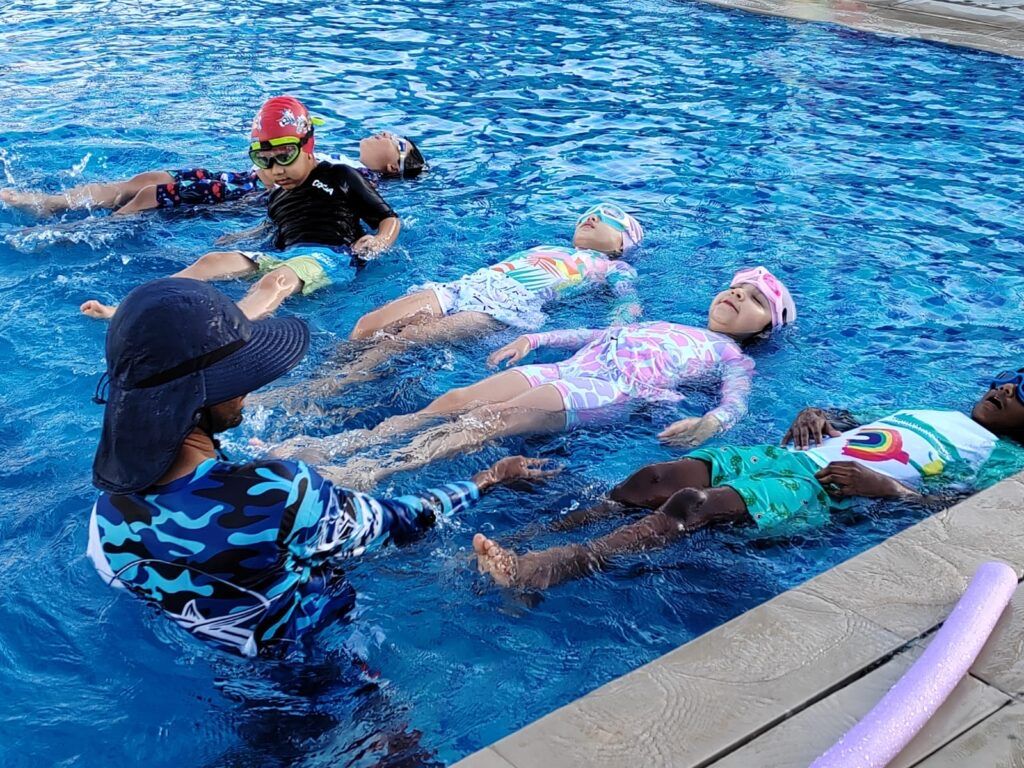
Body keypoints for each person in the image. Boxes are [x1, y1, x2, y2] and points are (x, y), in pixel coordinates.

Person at [86, 277, 554, 658]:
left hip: (234, 678)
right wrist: (488, 478)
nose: (246, 391)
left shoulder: (105, 520)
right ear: (199, 399)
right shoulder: (279, 493)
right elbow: (402, 521)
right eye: (236, 379)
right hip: (327, 681)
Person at [471, 369, 1024, 589]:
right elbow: (853, 423)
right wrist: (815, 412)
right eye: (1008, 379)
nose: (1004, 388)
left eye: (1022, 392)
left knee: (693, 504)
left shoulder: (1004, 460)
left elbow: (964, 512)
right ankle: (526, 540)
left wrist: (889, 490)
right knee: (654, 477)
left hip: (819, 488)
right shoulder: (935, 412)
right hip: (782, 455)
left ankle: (548, 568)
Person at [269, 266, 797, 487]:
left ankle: (371, 470)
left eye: (754, 299)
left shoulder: (733, 357)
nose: (737, 294)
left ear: (764, 328)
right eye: (736, 287)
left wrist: (709, 424)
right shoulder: (671, 324)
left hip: (608, 390)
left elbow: (736, 402)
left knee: (491, 420)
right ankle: (347, 443)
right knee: (457, 399)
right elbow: (597, 333)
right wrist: (535, 340)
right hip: (571, 366)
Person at [263, 202, 645, 405]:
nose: (592, 217)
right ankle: (324, 373)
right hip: (465, 287)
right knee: (369, 324)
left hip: (503, 308)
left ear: (621, 244)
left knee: (406, 338)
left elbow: (627, 303)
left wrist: (615, 335)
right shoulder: (550, 246)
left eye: (607, 218)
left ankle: (327, 390)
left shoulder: (612, 267)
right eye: (589, 214)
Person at [79, 96, 402, 321]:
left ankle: (231, 330)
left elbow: (389, 218)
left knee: (274, 280)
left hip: (331, 256)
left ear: (308, 146)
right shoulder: (277, 195)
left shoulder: (340, 176)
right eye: (264, 160)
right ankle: (130, 310)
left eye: (285, 156)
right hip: (290, 255)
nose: (276, 170)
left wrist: (380, 241)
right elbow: (274, 228)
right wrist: (242, 237)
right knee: (210, 261)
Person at [0, 131, 425, 217]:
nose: (388, 135)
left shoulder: (361, 179)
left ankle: (74, 227)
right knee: (149, 177)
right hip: (240, 177)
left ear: (393, 166)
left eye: (398, 142)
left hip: (247, 192)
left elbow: (308, 195)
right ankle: (56, 204)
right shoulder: (344, 159)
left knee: (150, 194)